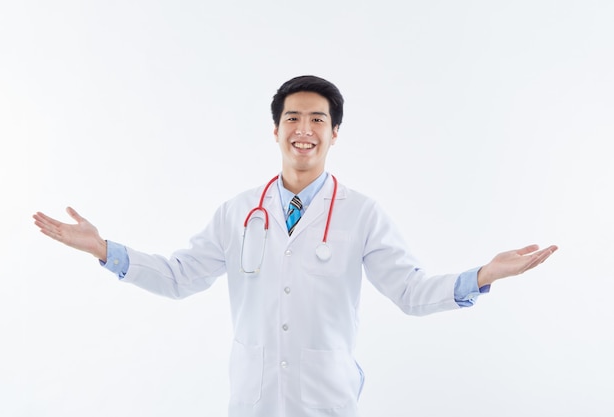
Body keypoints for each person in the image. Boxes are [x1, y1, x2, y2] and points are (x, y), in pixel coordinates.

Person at [33, 75, 558, 417]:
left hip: (325, 400)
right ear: (276, 129)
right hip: (253, 400)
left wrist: (484, 274)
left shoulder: (362, 213)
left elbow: (412, 292)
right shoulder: (240, 210)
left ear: (334, 134)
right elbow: (178, 277)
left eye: (317, 120)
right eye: (293, 118)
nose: (304, 130)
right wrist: (105, 249)